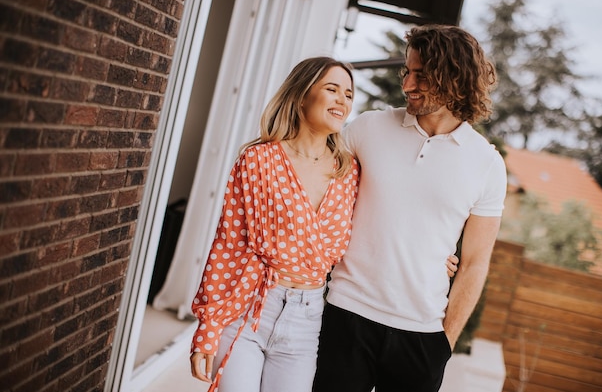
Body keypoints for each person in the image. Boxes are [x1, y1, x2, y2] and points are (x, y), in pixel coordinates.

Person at [313, 24, 508, 392]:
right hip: (346, 315)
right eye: (408, 71)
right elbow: (315, 191)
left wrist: (444, 344)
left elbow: (474, 263)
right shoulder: (366, 129)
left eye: (422, 74)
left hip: (422, 337)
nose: (407, 84)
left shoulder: (487, 164)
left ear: (454, 78)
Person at [188, 56, 359, 392]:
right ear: (301, 95)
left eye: (349, 94)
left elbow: (376, 230)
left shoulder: (347, 171)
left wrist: (432, 256)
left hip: (306, 320)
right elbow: (228, 244)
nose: (343, 100)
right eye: (332, 89)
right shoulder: (259, 160)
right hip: (251, 309)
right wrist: (207, 331)